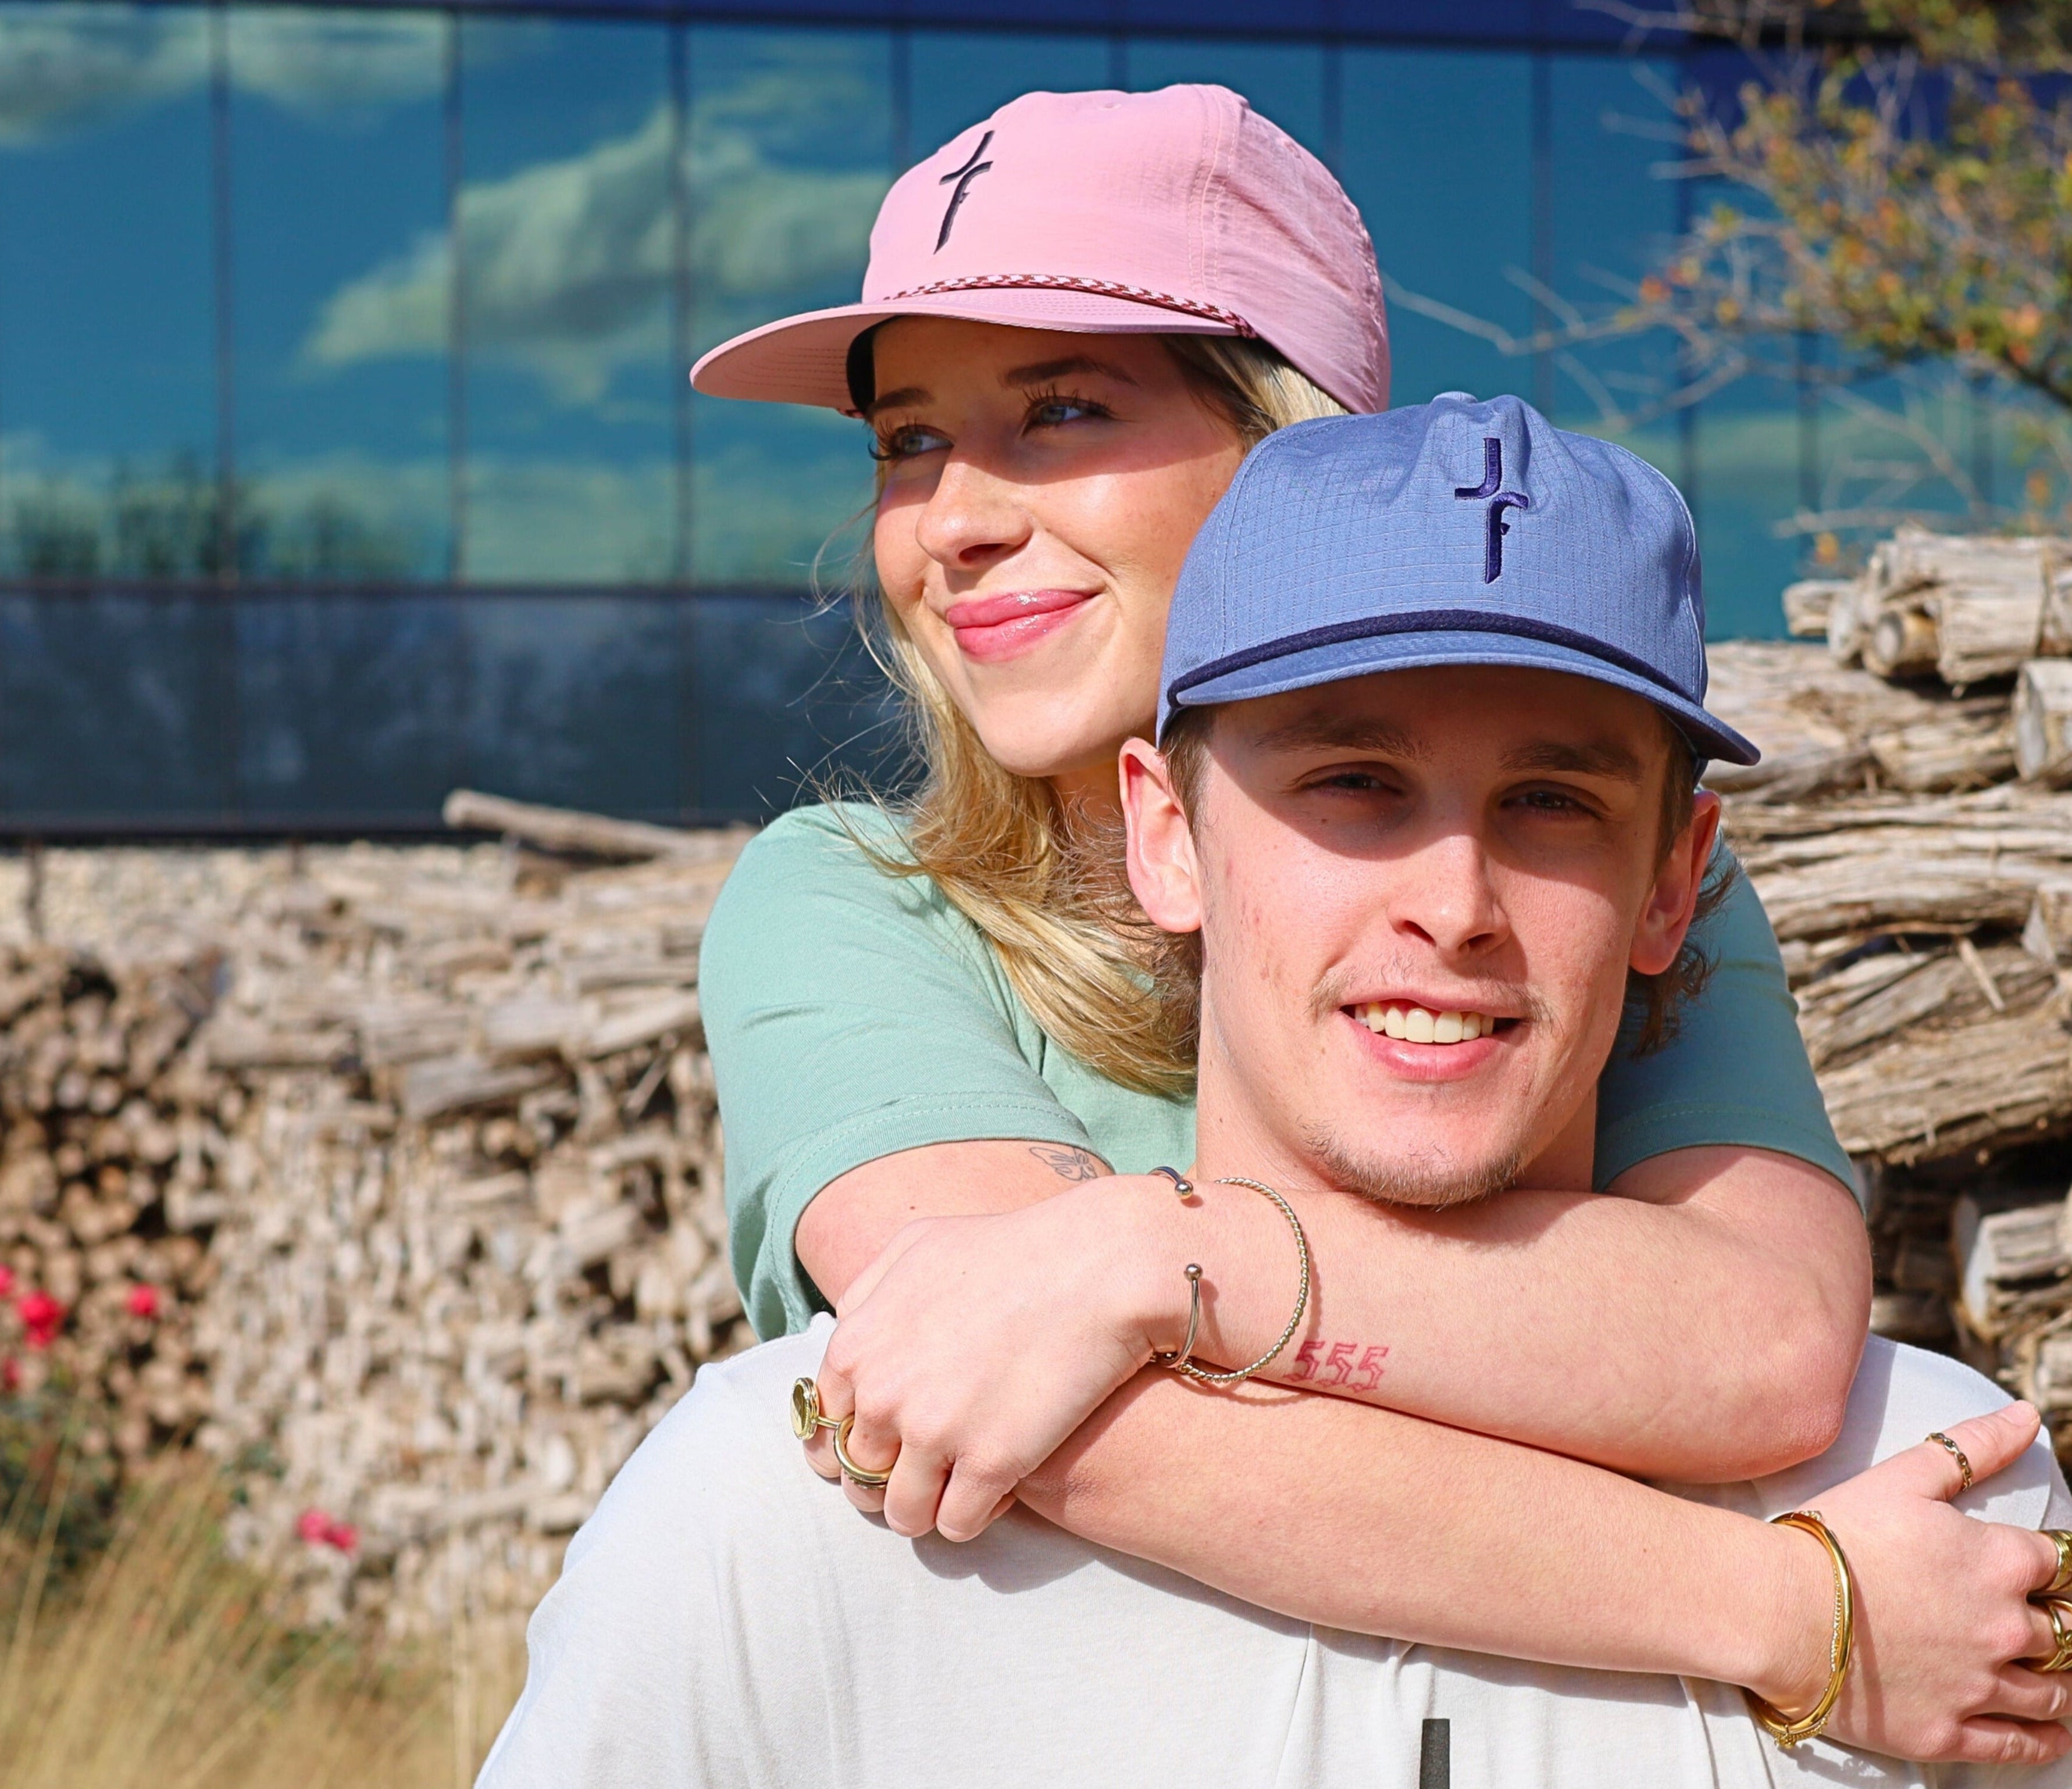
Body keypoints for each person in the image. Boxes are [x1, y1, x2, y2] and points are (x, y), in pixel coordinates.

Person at [479, 397, 2072, 1788]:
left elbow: (1770, 1343)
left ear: (1675, 884)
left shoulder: (1934, 1512)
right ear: (1164, 835)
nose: (1454, 904)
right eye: (1353, 786)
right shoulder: (794, 1513)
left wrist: (1158, 1252)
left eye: (1551, 802)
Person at [689, 80, 1897, 1715]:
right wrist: (1793, 1615)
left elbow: (1759, 1342)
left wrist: (1150, 1261)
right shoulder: (852, 904)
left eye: (1061, 412)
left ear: (1295, 450)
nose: (954, 520)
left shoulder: (1578, 875)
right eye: (908, 441)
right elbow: (1031, 1398)